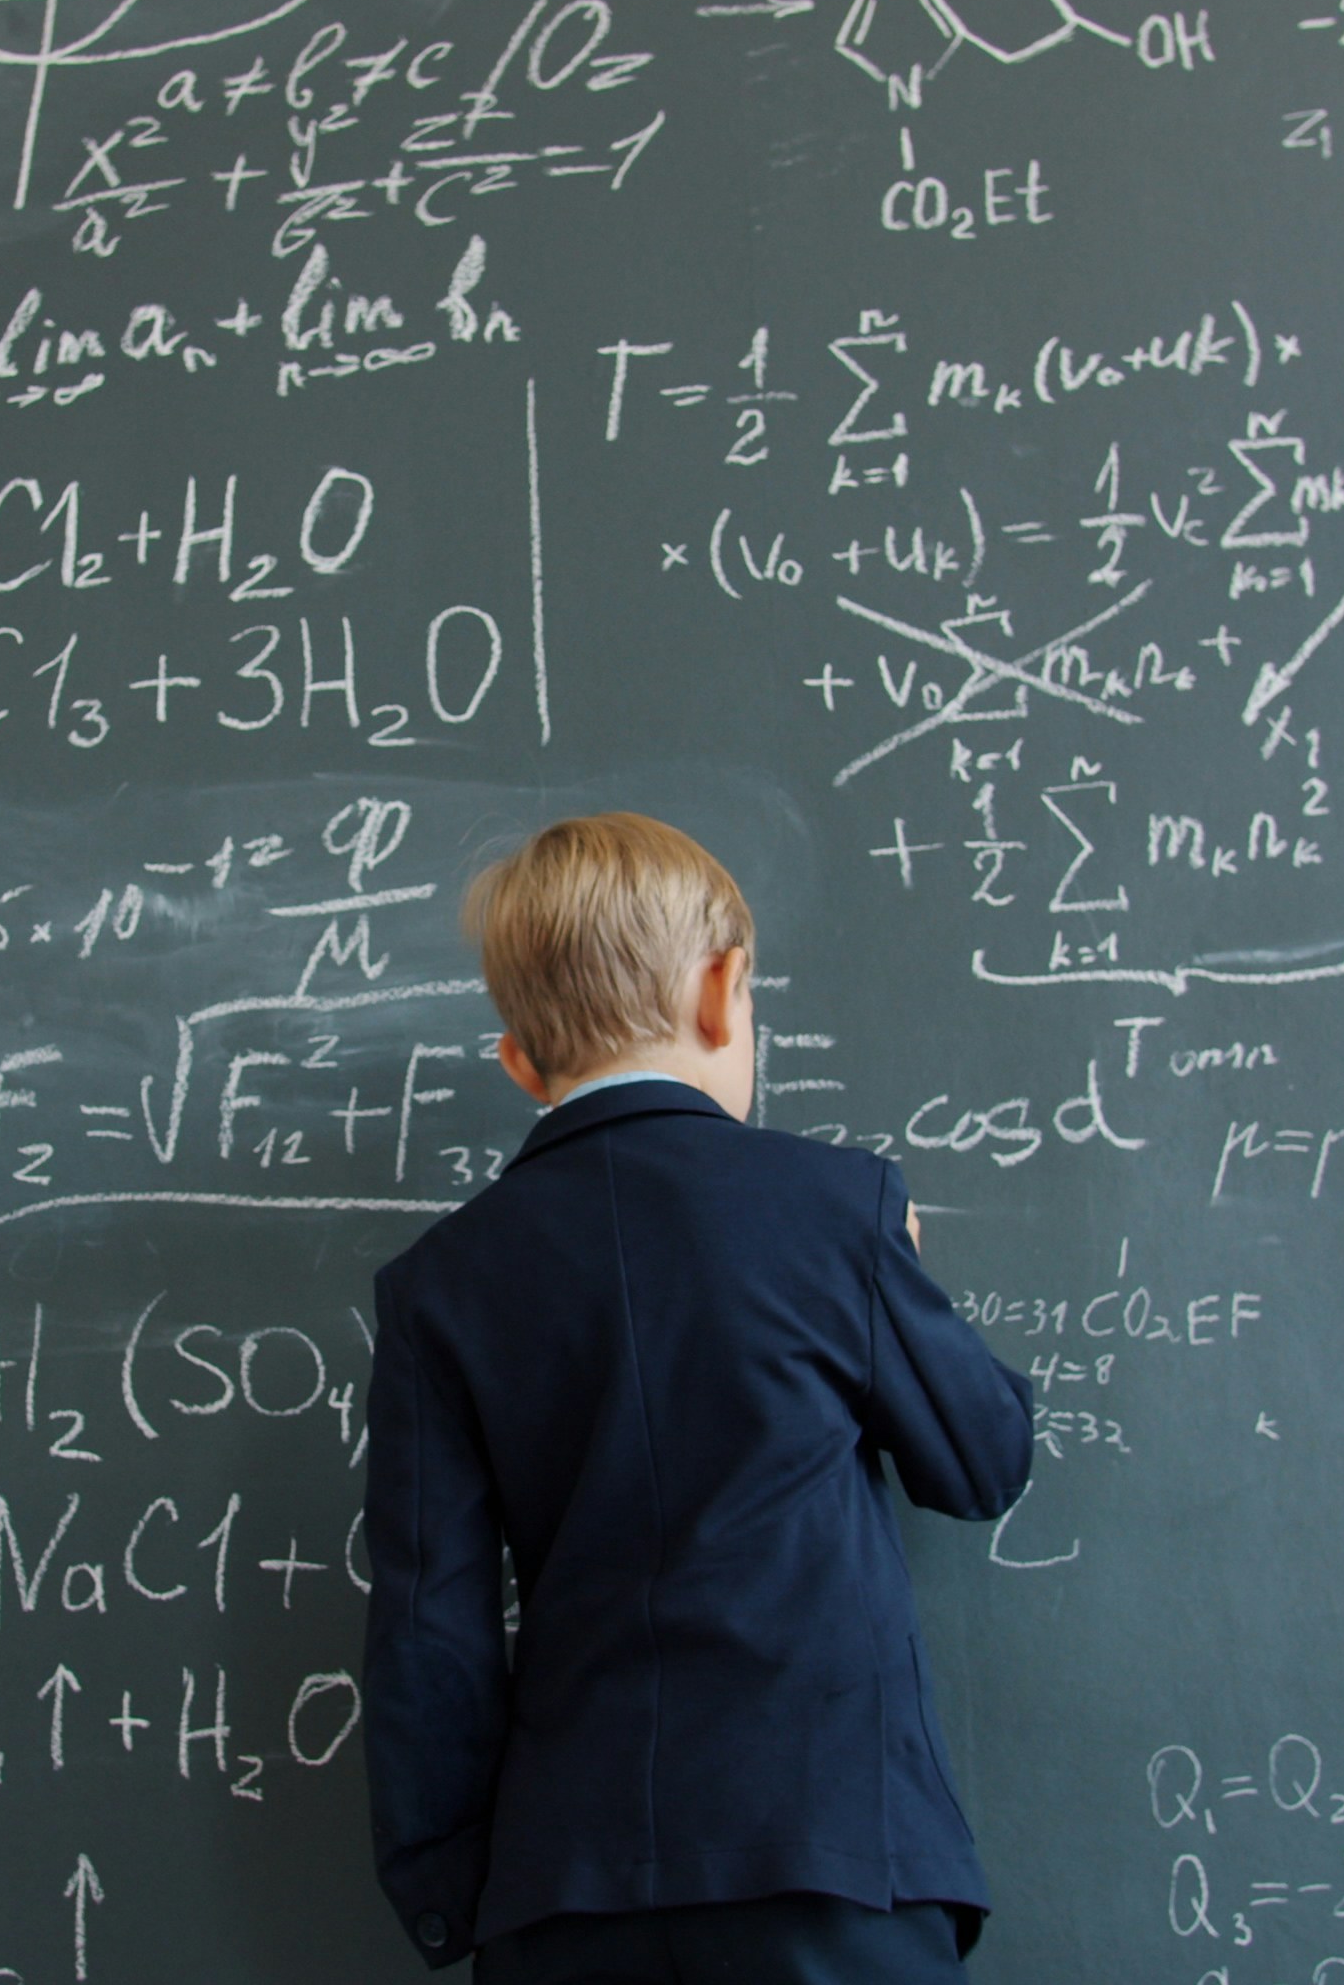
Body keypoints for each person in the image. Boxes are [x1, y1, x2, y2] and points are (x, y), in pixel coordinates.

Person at [361, 813, 1040, 1983]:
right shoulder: (835, 1208)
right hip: (830, 1866)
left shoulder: (440, 1285)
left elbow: (431, 1634)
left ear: (520, 1063)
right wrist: (903, 1275)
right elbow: (981, 1464)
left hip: (562, 1890)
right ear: (725, 991)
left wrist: (451, 1893)